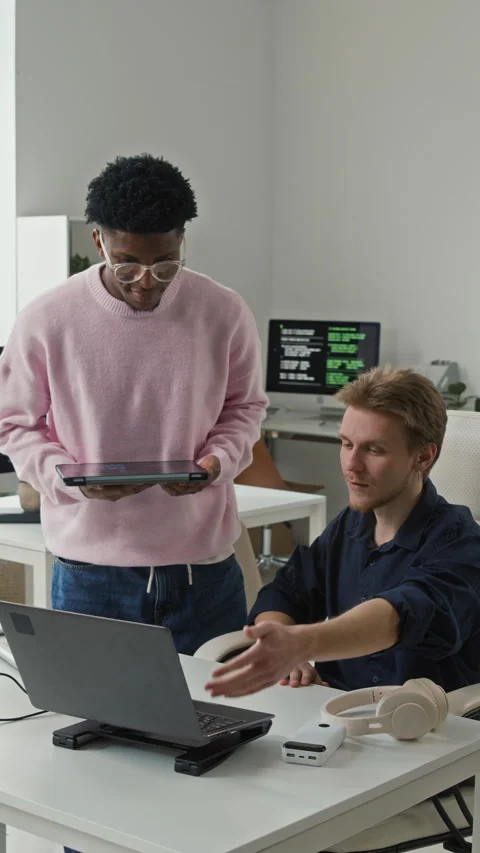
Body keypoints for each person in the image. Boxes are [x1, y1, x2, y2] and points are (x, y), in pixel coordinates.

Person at [0, 152, 268, 655]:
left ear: (182, 239)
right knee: (95, 723)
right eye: (127, 263)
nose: (147, 280)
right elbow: (14, 424)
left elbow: (245, 408)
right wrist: (68, 476)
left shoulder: (223, 311)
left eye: (165, 264)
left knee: (221, 724)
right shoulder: (46, 318)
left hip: (203, 571)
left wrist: (220, 461)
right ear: (98, 239)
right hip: (91, 575)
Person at [206, 367, 480, 699]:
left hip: (425, 732)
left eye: (374, 450)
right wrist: (281, 641)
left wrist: (304, 643)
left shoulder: (460, 542)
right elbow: (288, 592)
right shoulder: (350, 525)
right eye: (346, 444)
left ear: (423, 456)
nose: (352, 464)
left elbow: (403, 613)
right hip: (335, 714)